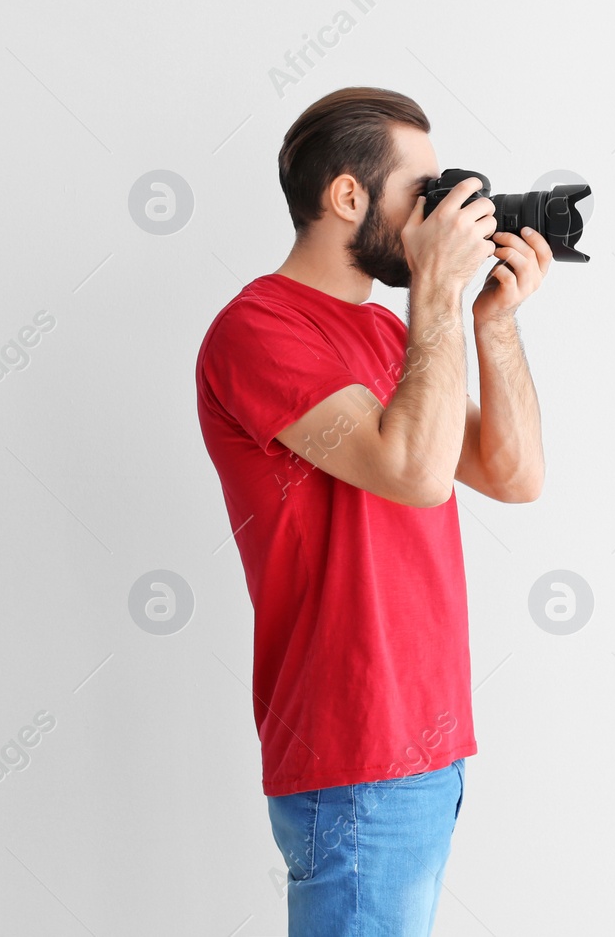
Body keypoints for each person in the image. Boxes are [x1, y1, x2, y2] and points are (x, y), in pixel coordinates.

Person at [194, 86, 549, 934]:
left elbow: (515, 473)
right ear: (346, 196)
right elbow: (413, 472)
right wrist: (434, 292)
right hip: (353, 747)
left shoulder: (391, 338)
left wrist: (491, 322)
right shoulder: (258, 327)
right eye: (419, 189)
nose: (438, 212)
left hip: (426, 742)